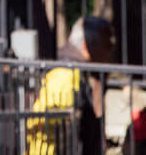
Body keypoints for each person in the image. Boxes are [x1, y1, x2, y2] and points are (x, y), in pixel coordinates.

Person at [27, 16, 114, 155]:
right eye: (106, 44)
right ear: (86, 46)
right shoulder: (64, 77)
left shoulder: (77, 73)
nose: (110, 50)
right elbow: (62, 134)